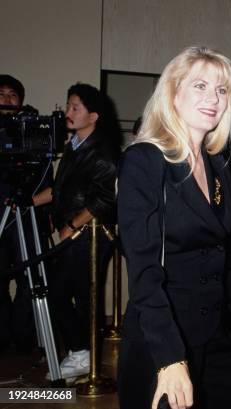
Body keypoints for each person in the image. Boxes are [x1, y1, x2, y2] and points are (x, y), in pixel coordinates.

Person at [117, 46, 231, 409]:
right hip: (163, 338)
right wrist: (170, 359)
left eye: (222, 90)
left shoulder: (219, 166)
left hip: (219, 337)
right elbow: (143, 270)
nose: (213, 98)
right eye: (200, 86)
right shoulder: (144, 160)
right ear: (173, 93)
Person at [28, 83, 117, 379]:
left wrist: (71, 225)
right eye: (68, 106)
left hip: (88, 235)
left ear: (93, 116)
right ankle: (81, 352)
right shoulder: (74, 147)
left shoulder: (102, 151)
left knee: (75, 294)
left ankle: (83, 355)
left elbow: (104, 198)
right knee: (64, 293)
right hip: (74, 233)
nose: (67, 112)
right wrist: (29, 203)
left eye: (75, 108)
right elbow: (60, 189)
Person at [0, 75, 51, 355]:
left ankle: (24, 338)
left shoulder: (31, 130)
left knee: (28, 280)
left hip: (26, 216)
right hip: (2, 218)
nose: (7, 100)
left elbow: (46, 177)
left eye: (12, 95)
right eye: (2, 94)